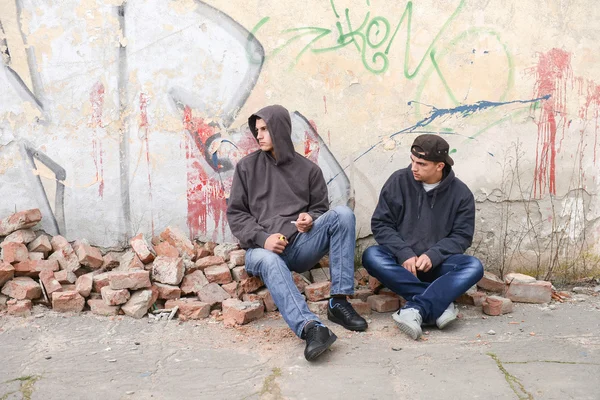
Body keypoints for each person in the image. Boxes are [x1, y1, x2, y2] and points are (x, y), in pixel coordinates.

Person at [226, 104, 367, 361]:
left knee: (343, 215)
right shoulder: (246, 168)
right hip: (261, 251)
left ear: (279, 129)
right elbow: (236, 214)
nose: (258, 135)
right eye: (256, 130)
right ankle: (310, 328)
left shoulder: (309, 170)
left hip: (300, 246)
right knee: (269, 259)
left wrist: (309, 219)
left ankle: (339, 302)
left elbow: (319, 208)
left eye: (265, 129)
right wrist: (262, 239)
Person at [362, 134, 483, 340]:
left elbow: (462, 236)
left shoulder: (461, 194)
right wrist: (403, 253)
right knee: (371, 255)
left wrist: (434, 255)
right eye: (412, 161)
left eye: (421, 163)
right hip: (402, 266)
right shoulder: (398, 181)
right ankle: (439, 302)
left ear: (439, 166)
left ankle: (416, 308)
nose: (413, 168)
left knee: (473, 266)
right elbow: (381, 224)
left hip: (438, 266)